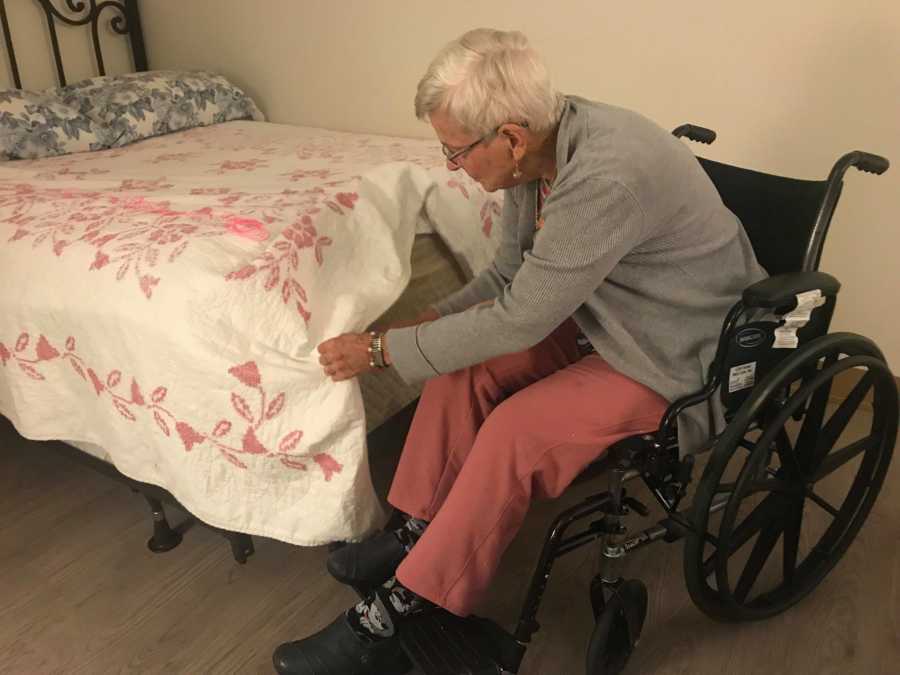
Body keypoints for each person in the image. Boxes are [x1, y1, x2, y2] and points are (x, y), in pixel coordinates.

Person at [273, 27, 766, 675]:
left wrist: (383, 349)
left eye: (454, 153)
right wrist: (430, 325)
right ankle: (416, 529)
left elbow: (519, 318)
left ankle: (406, 608)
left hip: (677, 345)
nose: (450, 165)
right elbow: (507, 277)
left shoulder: (603, 177)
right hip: (603, 313)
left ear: (508, 136)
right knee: (460, 367)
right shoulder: (539, 150)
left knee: (515, 430)